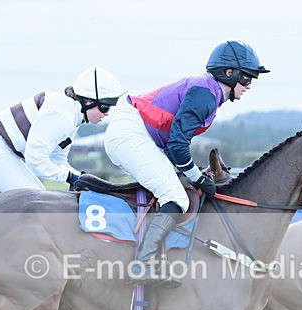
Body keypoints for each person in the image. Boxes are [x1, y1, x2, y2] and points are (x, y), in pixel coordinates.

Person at [104, 40, 269, 285]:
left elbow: (176, 147)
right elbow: (177, 146)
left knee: (176, 188)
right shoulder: (206, 92)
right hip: (130, 134)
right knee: (176, 197)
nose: (249, 86)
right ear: (229, 73)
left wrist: (193, 174)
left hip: (133, 133)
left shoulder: (208, 91)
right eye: (246, 79)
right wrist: (198, 176)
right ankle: (143, 265)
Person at [0, 67, 125, 192]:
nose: (106, 114)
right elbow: (35, 160)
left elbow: (57, 160)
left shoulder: (71, 115)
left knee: (39, 198)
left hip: (5, 152)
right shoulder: (62, 116)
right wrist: (70, 177)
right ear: (88, 101)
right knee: (35, 203)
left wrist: (82, 178)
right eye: (104, 107)